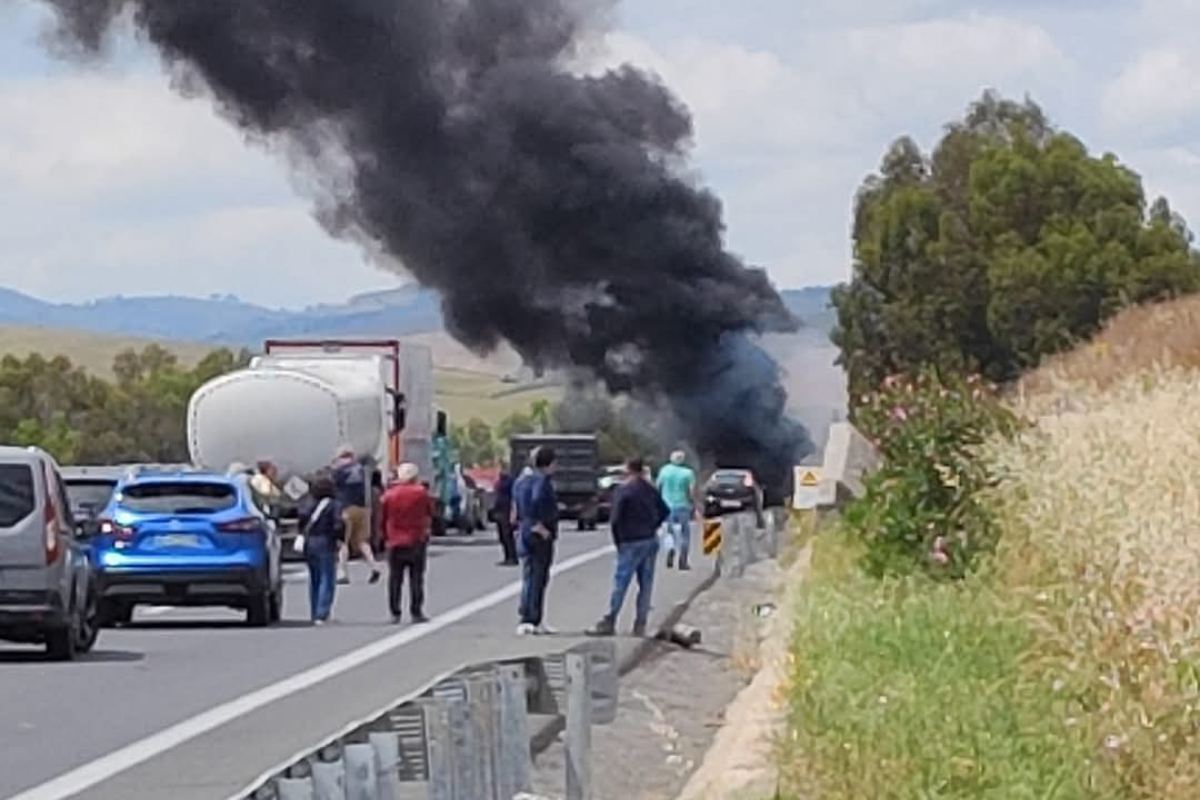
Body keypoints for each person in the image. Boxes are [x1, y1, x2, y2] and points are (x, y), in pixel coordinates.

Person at [588, 457, 669, 638]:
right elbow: (665, 511)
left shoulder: (623, 491)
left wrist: (619, 541)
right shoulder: (650, 490)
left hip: (630, 541)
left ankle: (610, 619)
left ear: (627, 469)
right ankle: (640, 623)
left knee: (621, 582)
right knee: (646, 584)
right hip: (649, 539)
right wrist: (653, 526)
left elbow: (615, 519)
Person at [379, 463, 433, 624]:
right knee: (416, 578)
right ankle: (416, 611)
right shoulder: (421, 493)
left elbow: (382, 518)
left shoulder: (389, 495)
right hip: (416, 539)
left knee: (395, 579)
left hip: (395, 540)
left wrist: (384, 536)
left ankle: (395, 612)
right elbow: (430, 512)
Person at [515, 447, 558, 636]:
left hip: (525, 532)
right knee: (538, 577)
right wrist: (539, 525)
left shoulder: (521, 480)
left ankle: (530, 617)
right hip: (539, 534)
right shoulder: (541, 481)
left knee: (529, 575)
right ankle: (531, 618)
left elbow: (517, 504)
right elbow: (536, 501)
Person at [332, 446, 382, 585]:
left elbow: (333, 487)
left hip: (346, 508)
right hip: (363, 509)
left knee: (343, 542)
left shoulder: (339, 472)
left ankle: (342, 572)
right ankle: (374, 566)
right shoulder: (361, 470)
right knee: (362, 542)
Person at [301, 476, 343, 625]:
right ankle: (322, 613)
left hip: (309, 541)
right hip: (325, 541)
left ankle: (314, 612)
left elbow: (302, 520)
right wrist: (340, 539)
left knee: (314, 578)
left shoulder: (307, 503)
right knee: (327, 577)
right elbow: (338, 524)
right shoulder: (334, 504)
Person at [657, 450, 698, 570]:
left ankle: (671, 551)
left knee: (670, 532)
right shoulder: (688, 473)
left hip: (666, 506)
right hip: (682, 506)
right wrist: (695, 505)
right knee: (685, 534)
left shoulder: (664, 470)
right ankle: (683, 561)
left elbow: (658, 486)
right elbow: (691, 492)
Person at [492, 470, 518, 566]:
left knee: (507, 535)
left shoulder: (510, 482)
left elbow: (514, 497)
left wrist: (513, 512)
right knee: (502, 536)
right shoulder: (500, 481)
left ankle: (512, 557)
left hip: (507, 510)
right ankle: (507, 557)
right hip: (500, 510)